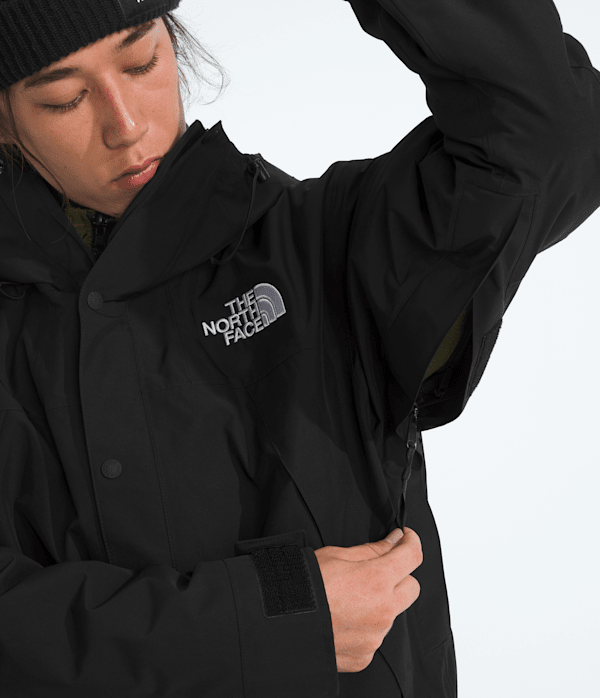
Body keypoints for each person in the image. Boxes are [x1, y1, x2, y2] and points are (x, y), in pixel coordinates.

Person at [0, 0, 598, 696]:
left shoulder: (328, 249)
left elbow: (549, 132)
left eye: (141, 62)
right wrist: (277, 617)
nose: (126, 125)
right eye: (65, 99)